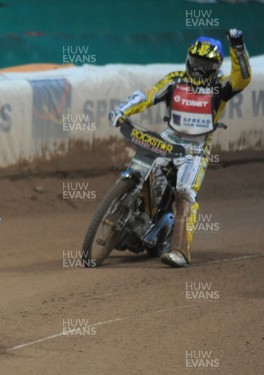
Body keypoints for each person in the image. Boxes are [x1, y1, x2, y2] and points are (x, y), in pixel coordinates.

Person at [108, 29, 251, 268]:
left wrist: (237, 46)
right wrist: (123, 110)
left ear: (215, 66)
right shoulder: (175, 80)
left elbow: (242, 78)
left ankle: (180, 252)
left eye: (205, 64)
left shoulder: (221, 87)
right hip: (167, 141)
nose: (199, 68)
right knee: (142, 173)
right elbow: (148, 95)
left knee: (185, 195)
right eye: (196, 61)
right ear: (188, 59)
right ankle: (135, 221)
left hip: (195, 152)